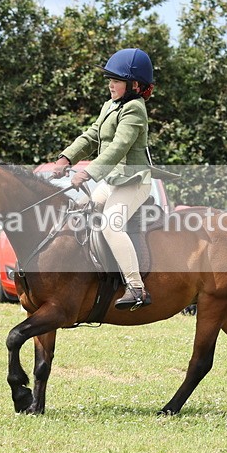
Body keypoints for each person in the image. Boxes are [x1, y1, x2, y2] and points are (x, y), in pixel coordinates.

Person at [52, 48, 156, 310]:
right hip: (112, 181)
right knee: (79, 213)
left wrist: (88, 171)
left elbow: (118, 147)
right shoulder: (110, 106)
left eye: (116, 80)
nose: (110, 84)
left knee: (111, 224)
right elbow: (91, 136)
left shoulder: (135, 109)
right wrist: (67, 158)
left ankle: (136, 288)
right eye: (109, 79)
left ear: (134, 85)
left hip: (134, 182)